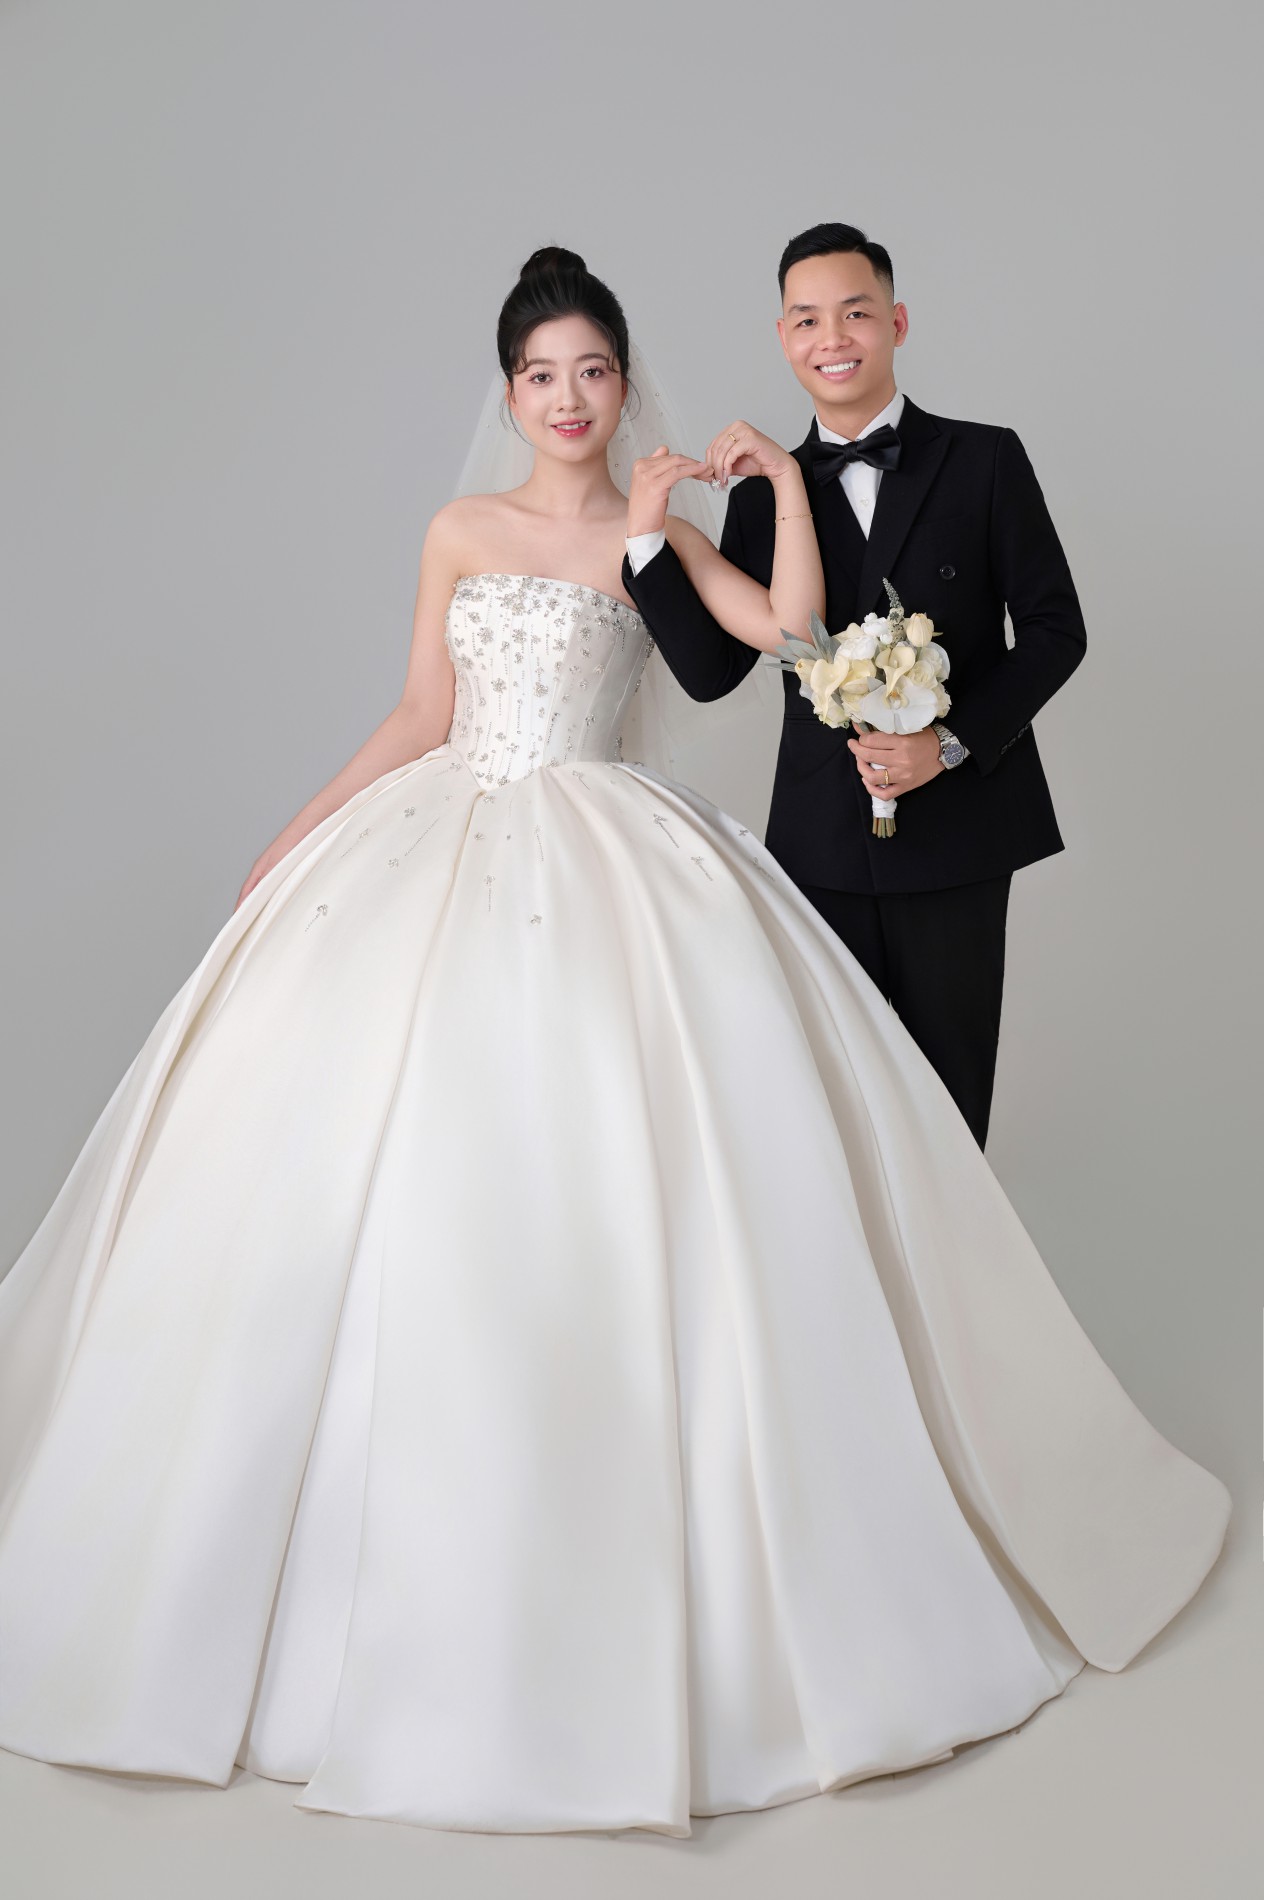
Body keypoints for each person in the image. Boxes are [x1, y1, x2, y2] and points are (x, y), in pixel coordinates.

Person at [0, 247, 1229, 1839]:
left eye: (592, 371)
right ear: (509, 393)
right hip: (440, 835)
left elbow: (788, 628)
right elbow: (421, 712)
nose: (569, 399)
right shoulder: (459, 529)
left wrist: (768, 488)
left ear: (624, 382)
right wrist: (299, 831)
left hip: (606, 848)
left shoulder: (659, 533)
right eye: (541, 376)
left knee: (629, 1165)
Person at [623, 221, 1087, 1149]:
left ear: (897, 322)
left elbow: (1055, 632)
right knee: (832, 1124)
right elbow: (713, 673)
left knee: (948, 1116)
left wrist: (945, 746)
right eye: (806, 320)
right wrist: (646, 543)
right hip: (820, 848)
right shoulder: (762, 492)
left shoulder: (985, 459)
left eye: (855, 313)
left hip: (959, 835)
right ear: (783, 338)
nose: (831, 338)